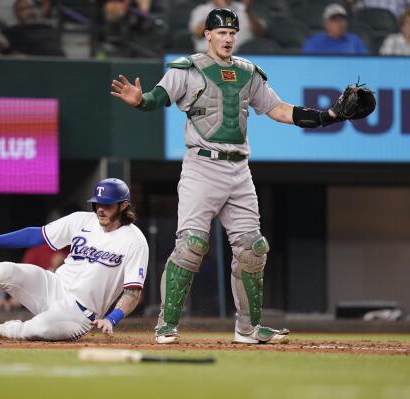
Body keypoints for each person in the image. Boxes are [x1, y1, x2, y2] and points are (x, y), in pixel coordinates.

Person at [110, 8, 363, 345]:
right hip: (202, 166)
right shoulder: (188, 68)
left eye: (232, 33)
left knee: (252, 249)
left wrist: (328, 115)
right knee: (190, 247)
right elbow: (158, 98)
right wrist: (140, 100)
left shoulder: (248, 73)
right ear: (208, 35)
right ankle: (166, 324)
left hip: (239, 168)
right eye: (221, 32)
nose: (228, 38)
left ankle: (248, 328)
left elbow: (278, 109)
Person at [0, 178, 149, 341]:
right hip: (52, 286)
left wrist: (112, 319)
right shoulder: (81, 220)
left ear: (123, 205)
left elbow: (132, 292)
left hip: (79, 314)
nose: (100, 209)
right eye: (97, 203)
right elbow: (36, 234)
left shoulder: (134, 240)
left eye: (107, 205)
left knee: (38, 328)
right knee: (6, 270)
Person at [189, 0, 265, 53]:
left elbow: (260, 33)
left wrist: (249, 12)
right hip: (208, 56)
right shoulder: (201, 9)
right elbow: (197, 33)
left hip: (243, 55)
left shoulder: (244, 8)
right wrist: (219, 10)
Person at [302, 3, 368, 55]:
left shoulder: (354, 40)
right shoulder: (313, 42)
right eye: (335, 20)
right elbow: (308, 66)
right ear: (326, 24)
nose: (340, 24)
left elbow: (364, 64)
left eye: (342, 20)